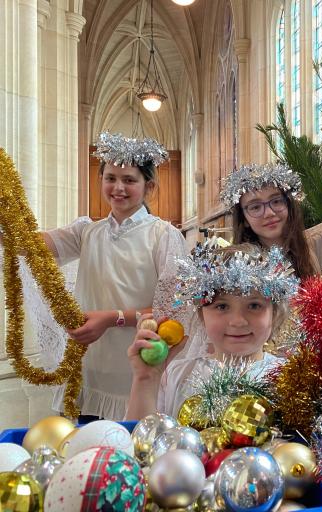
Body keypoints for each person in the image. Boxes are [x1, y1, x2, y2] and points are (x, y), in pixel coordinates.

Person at [40, 132, 188, 421]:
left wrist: (113, 317)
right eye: (110, 178)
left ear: (149, 186)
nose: (118, 187)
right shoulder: (87, 231)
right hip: (89, 370)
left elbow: (175, 311)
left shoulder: (163, 235)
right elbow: (35, 244)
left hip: (134, 373)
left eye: (130, 180)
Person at [125, 241, 297, 419]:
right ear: (201, 315)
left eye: (254, 305)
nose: (238, 321)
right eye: (222, 306)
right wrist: (145, 379)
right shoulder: (177, 376)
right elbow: (139, 440)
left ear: (274, 313)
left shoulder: (291, 377)